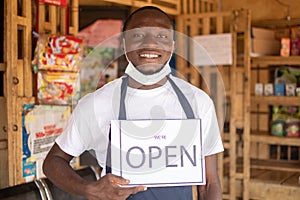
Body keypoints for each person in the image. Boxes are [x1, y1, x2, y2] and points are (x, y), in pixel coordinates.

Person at [43, 6, 224, 200]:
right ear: (123, 44)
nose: (150, 44)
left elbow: (209, 183)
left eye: (161, 36)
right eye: (138, 35)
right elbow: (53, 162)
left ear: (172, 46)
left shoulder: (197, 102)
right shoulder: (97, 104)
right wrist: (89, 189)